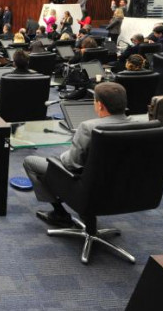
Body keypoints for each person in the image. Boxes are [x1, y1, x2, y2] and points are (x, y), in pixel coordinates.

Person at [23, 82, 131, 227]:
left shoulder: (89, 127)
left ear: (99, 105)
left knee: (31, 161)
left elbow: (70, 164)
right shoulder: (142, 125)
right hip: (124, 189)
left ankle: (59, 214)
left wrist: (61, 156)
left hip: (87, 187)